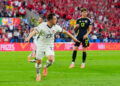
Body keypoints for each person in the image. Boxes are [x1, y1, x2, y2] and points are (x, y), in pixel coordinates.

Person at [25, 13, 80, 81]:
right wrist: (28, 37)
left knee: (51, 60)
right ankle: (38, 74)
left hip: (49, 45)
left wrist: (73, 38)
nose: (56, 20)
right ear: (50, 20)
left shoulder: (56, 27)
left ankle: (45, 67)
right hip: (41, 45)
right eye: (55, 19)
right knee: (39, 62)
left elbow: (65, 32)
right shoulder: (42, 26)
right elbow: (34, 31)